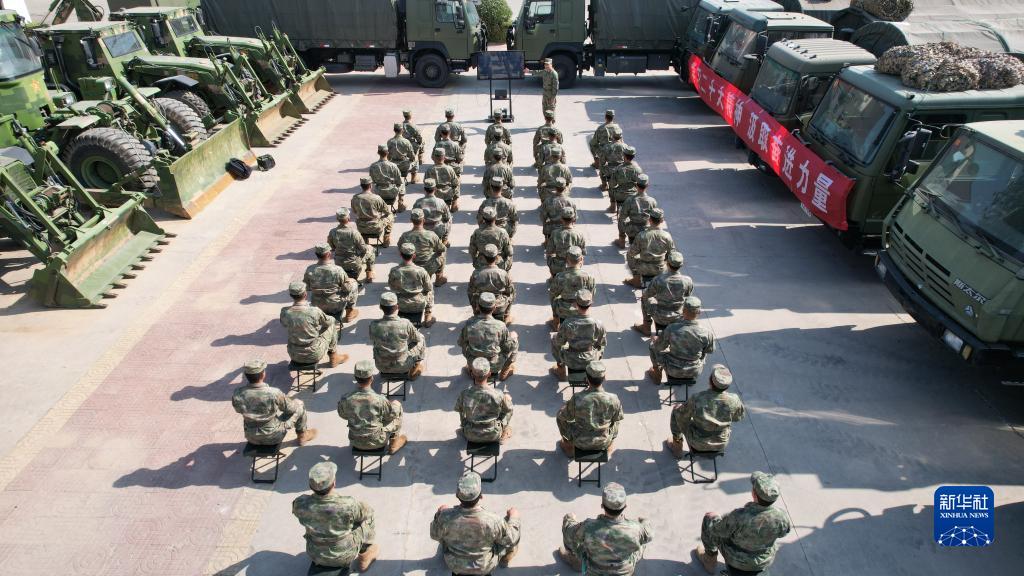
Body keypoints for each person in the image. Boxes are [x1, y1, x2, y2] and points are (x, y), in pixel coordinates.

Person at [695, 472, 791, 575]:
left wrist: (714, 518)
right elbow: (784, 533)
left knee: (709, 520)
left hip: (737, 559)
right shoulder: (782, 517)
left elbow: (719, 530)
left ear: (754, 494)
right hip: (763, 560)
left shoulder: (739, 516)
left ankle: (709, 560)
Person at [293, 462, 378, 572]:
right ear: (334, 483)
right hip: (344, 555)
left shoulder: (300, 503)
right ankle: (365, 555)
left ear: (311, 486)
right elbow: (368, 511)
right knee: (367, 519)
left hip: (315, 554)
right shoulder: (347, 505)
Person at [430, 471, 521, 574]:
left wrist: (439, 514)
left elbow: (434, 535)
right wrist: (514, 517)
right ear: (481, 496)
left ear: (457, 496)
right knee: (512, 528)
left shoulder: (445, 516)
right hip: (484, 567)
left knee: (443, 534)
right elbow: (511, 539)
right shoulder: (493, 520)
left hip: (455, 565)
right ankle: (506, 557)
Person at [560, 483, 653, 574]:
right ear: (625, 506)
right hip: (624, 571)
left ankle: (576, 561)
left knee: (571, 529)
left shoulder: (588, 526)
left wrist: (570, 519)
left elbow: (569, 532)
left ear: (602, 505)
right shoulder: (636, 529)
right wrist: (645, 521)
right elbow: (649, 535)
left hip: (594, 570)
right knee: (641, 544)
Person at [232, 359, 317, 446]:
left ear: (246, 376)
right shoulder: (274, 393)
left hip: (251, 437)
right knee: (299, 404)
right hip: (274, 437)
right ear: (263, 374)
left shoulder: (237, 393)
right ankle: (302, 436)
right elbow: (291, 408)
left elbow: (238, 410)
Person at [667, 365, 744, 458]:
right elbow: (737, 418)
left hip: (697, 443)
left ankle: (677, 445)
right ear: (727, 387)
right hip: (720, 443)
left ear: (710, 381)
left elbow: (682, 415)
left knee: (676, 411)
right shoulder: (735, 400)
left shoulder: (698, 398)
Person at [338, 360, 407, 454]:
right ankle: (394, 444)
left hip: (355, 441)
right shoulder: (380, 400)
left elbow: (343, 415)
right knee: (397, 406)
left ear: (355, 378)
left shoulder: (346, 399)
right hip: (378, 442)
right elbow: (390, 416)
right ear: (371, 378)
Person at [556, 361, 623, 457]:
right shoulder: (613, 399)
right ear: (604, 378)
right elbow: (617, 418)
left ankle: (568, 445)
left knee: (559, 417)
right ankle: (609, 445)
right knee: (616, 421)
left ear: (586, 379)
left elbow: (563, 417)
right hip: (603, 441)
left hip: (579, 442)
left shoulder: (577, 398)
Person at [649, 296, 714, 383]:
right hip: (694, 371)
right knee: (703, 353)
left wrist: (656, 340)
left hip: (672, 369)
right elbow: (709, 350)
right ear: (699, 312)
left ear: (683, 311)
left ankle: (657, 374)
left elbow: (659, 347)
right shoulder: (707, 333)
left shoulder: (671, 328)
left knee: (652, 346)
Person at [280, 281, 346, 367]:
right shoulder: (314, 311)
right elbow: (329, 322)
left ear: (291, 295)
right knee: (331, 326)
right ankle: (334, 357)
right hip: (314, 354)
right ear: (305, 294)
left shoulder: (285, 312)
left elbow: (284, 324)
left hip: (294, 354)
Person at [459, 292, 518, 381]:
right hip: (494, 365)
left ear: (478, 306)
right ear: (494, 308)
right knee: (514, 339)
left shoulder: (470, 324)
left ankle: (473, 370)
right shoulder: (500, 326)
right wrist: (512, 337)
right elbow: (507, 346)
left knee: (465, 344)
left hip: (474, 363)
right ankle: (504, 372)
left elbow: (460, 342)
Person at [632, 250, 691, 337]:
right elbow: (687, 296)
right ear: (681, 265)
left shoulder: (659, 279)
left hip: (660, 316)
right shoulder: (687, 281)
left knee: (644, 297)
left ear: (667, 263)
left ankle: (646, 326)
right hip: (678, 316)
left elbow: (647, 295)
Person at [456, 357, 514, 443]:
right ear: (489, 374)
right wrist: (507, 399)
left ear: (472, 374)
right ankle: (504, 431)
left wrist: (464, 425)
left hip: (470, 434)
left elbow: (459, 410)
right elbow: (508, 409)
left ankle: (464, 431)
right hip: (493, 434)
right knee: (508, 407)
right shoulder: (498, 394)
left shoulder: (464, 394)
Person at [551, 289, 605, 381]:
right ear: (591, 304)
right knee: (602, 346)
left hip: (571, 360)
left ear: (576, 304)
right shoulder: (598, 324)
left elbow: (560, 342)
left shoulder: (568, 323)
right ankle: (596, 369)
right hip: (591, 359)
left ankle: (561, 369)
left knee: (554, 338)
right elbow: (601, 344)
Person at [369, 292, 425, 379]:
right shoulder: (405, 323)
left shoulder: (373, 325)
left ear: (380, 307)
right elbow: (417, 338)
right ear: (397, 307)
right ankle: (415, 367)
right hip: (404, 365)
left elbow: (373, 339)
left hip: (381, 366)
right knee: (421, 338)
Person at [304, 243, 359, 324]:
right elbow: (347, 288)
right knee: (353, 283)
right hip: (335, 306)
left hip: (317, 305)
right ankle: (349, 312)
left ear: (316, 254)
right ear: (328, 254)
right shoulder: (337, 270)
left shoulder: (310, 269)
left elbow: (307, 287)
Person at [388, 243, 436, 328]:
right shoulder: (421, 271)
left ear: (400, 255)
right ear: (414, 255)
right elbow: (428, 287)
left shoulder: (394, 270)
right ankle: (428, 316)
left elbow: (391, 287)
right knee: (430, 291)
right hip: (418, 304)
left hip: (401, 305)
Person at [547, 246, 594, 331]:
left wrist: (555, 315)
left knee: (555, 298)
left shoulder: (560, 277)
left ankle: (557, 324)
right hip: (581, 311)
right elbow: (591, 295)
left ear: (567, 260)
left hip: (564, 311)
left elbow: (552, 296)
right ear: (581, 259)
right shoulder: (589, 277)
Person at [625, 208, 675, 288]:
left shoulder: (642, 235)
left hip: (643, 268)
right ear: (662, 220)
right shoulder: (667, 236)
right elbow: (672, 254)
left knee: (629, 254)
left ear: (649, 220)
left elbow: (632, 252)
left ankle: (636, 279)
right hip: (661, 268)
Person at [397, 209, 447, 286]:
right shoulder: (431, 235)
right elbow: (442, 249)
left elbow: (400, 248)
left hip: (411, 266)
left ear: (411, 220)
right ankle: (439, 279)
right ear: (423, 220)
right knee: (442, 254)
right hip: (428, 267)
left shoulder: (405, 235)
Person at [469, 244, 516, 323]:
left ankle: (477, 315)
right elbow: (510, 292)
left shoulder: (476, 274)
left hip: (481, 306)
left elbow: (470, 292)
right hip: (499, 306)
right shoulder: (503, 274)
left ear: (483, 257)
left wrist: (475, 309)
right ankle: (506, 316)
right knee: (512, 293)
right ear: (497, 257)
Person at [329, 207, 375, 283]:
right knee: (370, 249)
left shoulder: (332, 232)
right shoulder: (354, 232)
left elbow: (332, 247)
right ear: (348, 218)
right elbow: (363, 249)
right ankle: (369, 274)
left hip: (339, 262)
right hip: (353, 263)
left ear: (337, 219)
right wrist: (360, 255)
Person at [616, 174, 658, 248]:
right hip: (646, 230)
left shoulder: (630, 200)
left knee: (621, 216)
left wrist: (622, 232)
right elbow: (655, 219)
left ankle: (622, 239)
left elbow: (622, 217)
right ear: (647, 186)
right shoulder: (652, 201)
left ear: (636, 185)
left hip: (632, 230)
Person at [351, 176, 393, 247]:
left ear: (361, 186)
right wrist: (379, 215)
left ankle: (365, 242)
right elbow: (387, 212)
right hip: (375, 227)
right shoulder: (376, 198)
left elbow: (354, 211)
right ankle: (386, 240)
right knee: (391, 216)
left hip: (361, 227)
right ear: (370, 185)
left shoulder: (355, 198)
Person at [547, 206, 585, 277]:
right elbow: (583, 252)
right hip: (573, 266)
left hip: (557, 265)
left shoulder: (555, 233)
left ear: (561, 219)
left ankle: (553, 277)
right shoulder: (579, 234)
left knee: (549, 258)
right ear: (574, 219)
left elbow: (549, 251)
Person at [413, 178, 452, 246]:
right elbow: (447, 217)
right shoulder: (441, 202)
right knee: (450, 219)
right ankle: (444, 239)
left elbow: (414, 218)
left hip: (423, 230)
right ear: (435, 188)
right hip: (438, 231)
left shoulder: (418, 202)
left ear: (424, 189)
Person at [370, 143, 405, 212]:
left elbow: (372, 180)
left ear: (378, 153)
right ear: (388, 153)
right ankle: (400, 204)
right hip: (391, 192)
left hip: (378, 192)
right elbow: (399, 181)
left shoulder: (373, 166)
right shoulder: (393, 166)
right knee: (402, 183)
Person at [609, 145, 643, 214]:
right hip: (633, 194)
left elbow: (612, 184)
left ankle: (613, 206)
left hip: (620, 195)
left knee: (611, 188)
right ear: (634, 156)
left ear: (624, 155)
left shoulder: (618, 168)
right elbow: (641, 184)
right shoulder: (638, 169)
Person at [540, 177, 575, 241]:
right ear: (565, 188)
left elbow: (543, 217)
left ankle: (547, 242)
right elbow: (574, 218)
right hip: (566, 230)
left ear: (555, 188)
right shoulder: (571, 202)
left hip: (551, 229)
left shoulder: (547, 201)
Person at [600, 127, 626, 191]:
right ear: (621, 136)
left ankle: (604, 185)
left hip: (610, 169)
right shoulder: (625, 146)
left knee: (601, 170)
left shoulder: (607, 146)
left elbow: (602, 161)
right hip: (622, 168)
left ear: (612, 136)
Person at [401, 109, 424, 176]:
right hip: (411, 144)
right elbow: (419, 137)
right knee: (422, 143)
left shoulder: (400, 126)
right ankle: (420, 158)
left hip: (402, 144)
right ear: (410, 116)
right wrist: (419, 142)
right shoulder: (412, 126)